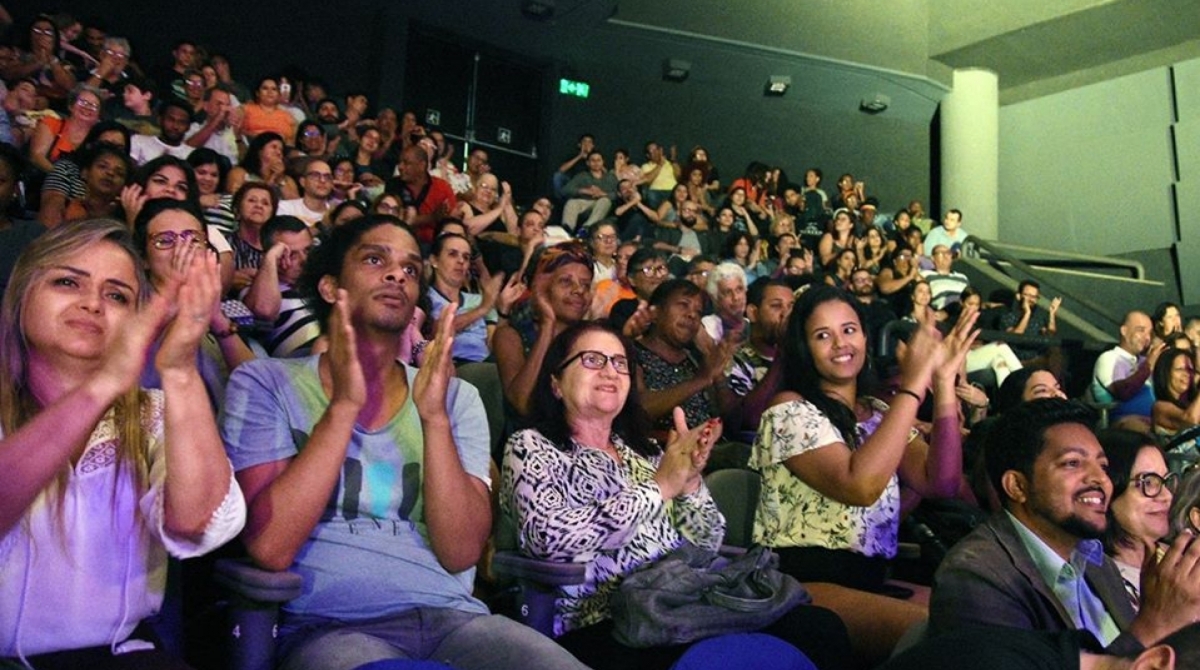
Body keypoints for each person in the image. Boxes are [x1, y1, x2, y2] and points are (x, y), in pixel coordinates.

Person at [221, 215, 589, 670]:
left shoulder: (454, 398)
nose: (397, 274)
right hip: (330, 626)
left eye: (411, 269)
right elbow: (270, 547)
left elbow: (460, 553)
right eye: (376, 259)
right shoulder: (264, 383)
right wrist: (343, 408)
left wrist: (434, 419)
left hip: (456, 620)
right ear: (330, 286)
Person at [500, 322, 852, 670]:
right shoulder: (532, 446)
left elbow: (706, 543)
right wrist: (658, 489)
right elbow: (547, 538)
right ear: (556, 383)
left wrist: (690, 486)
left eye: (620, 363)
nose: (610, 371)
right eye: (593, 360)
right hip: (604, 619)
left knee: (820, 628)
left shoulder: (648, 452)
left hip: (681, 600)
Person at [0, 218, 245, 666]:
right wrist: (102, 386)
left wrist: (180, 368)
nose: (92, 303)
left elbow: (195, 523)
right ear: (21, 296)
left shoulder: (152, 411)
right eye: (67, 281)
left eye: (117, 295)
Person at [929, 398, 1200, 654]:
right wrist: (1154, 623)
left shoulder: (1096, 563)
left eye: (1103, 466)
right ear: (1018, 486)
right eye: (1072, 463)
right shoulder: (976, 577)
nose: (1101, 479)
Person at [493, 242, 594, 417]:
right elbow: (522, 403)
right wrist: (548, 324)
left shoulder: (593, 339)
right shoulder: (510, 336)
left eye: (585, 284)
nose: (579, 290)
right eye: (566, 282)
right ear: (538, 287)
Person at [1097, 429, 1176, 609]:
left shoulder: (1179, 559)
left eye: (1165, 481)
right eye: (1148, 482)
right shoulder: (1094, 581)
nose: (1167, 496)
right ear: (1110, 488)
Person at [1092, 311, 1158, 427]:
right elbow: (1123, 392)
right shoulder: (1109, 358)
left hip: (1155, 419)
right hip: (1123, 423)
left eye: (1150, 333)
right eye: (1141, 330)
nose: (1147, 338)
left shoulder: (1144, 360)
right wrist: (1148, 367)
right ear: (1124, 331)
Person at [1151, 347, 1200, 438]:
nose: (1186, 374)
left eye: (1190, 370)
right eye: (1180, 369)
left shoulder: (1192, 403)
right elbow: (1190, 420)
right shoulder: (1159, 407)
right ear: (1165, 372)